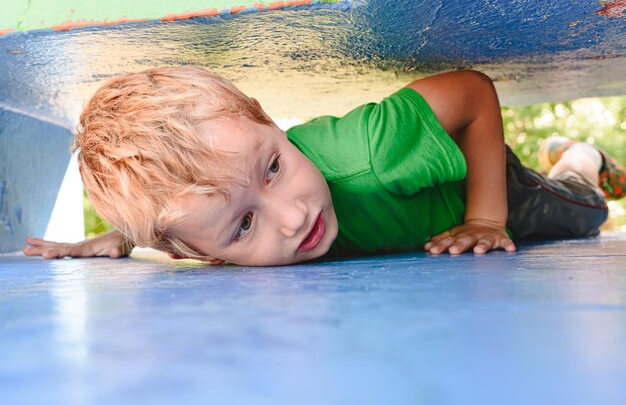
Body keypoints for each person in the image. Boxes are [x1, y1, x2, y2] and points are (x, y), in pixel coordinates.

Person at [22, 67, 624, 266]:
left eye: (275, 168)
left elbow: (471, 92)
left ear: (267, 119)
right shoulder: (203, 220)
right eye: (243, 228)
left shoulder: (372, 152)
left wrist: (488, 217)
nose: (291, 217)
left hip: (481, 187)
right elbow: (183, 222)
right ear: (198, 255)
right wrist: (121, 239)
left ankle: (581, 158)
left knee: (583, 211)